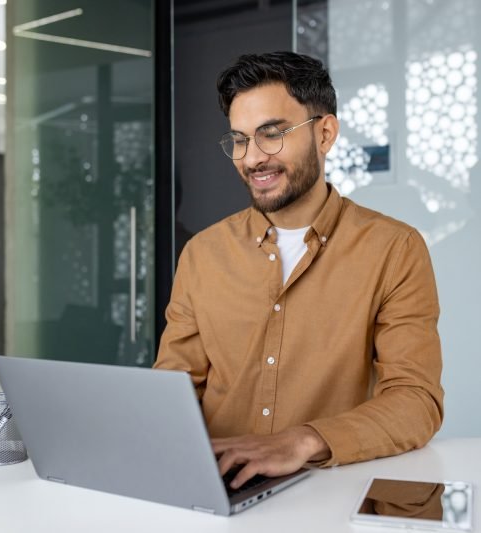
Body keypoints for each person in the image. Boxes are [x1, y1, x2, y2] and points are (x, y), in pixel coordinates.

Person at [154, 51, 444, 490]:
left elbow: (416, 401)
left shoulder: (394, 249)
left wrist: (306, 440)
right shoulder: (202, 254)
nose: (252, 159)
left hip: (325, 491)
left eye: (271, 135)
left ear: (325, 133)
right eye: (240, 139)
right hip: (215, 490)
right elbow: (171, 391)